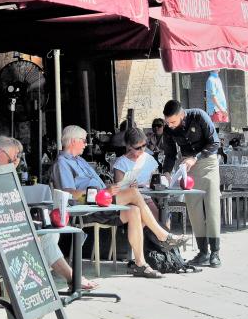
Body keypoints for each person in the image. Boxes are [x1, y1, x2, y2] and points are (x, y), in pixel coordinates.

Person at [0, 135, 97, 290]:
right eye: (12, 159)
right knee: (43, 234)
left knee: (46, 232)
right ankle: (67, 278)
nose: (15, 162)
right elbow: (4, 207)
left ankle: (49, 277)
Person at [52, 125, 187, 279]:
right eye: (83, 141)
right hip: (88, 207)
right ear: (73, 141)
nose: (86, 144)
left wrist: (108, 188)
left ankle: (140, 264)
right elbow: (69, 193)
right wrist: (102, 192)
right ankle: (162, 235)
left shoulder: (80, 160)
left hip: (102, 203)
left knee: (134, 211)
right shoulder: (62, 162)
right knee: (134, 193)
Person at [162, 100, 221, 267]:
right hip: (187, 167)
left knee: (212, 207)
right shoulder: (168, 128)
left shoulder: (199, 115)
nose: (170, 125)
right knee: (194, 209)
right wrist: (166, 172)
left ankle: (215, 252)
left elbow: (215, 143)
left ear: (182, 115)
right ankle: (203, 252)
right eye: (168, 122)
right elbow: (170, 154)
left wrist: (196, 158)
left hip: (208, 162)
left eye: (173, 122)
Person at [114, 128, 160, 221]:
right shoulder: (121, 163)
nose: (142, 149)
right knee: (147, 215)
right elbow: (118, 189)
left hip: (149, 197)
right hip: (130, 201)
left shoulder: (149, 159)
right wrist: (129, 187)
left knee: (163, 216)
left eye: (144, 145)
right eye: (138, 148)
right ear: (129, 146)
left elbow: (156, 179)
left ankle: (160, 234)